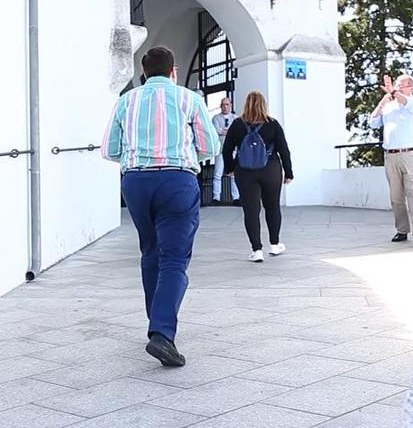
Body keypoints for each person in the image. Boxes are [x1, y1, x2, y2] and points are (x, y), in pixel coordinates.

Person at [101, 46, 220, 367]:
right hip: (176, 181)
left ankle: (156, 321)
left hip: (136, 183)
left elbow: (109, 150)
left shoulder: (127, 100)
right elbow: (210, 146)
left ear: (143, 72)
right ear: (173, 71)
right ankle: (162, 333)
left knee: (150, 252)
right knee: (174, 259)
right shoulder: (190, 99)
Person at [222, 91, 293, 263]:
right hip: (271, 170)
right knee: (272, 207)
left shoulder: (237, 124)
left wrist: (230, 168)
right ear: (264, 104)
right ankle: (274, 245)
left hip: (245, 172)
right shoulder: (273, 124)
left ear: (246, 104)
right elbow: (284, 150)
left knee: (251, 211)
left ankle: (256, 250)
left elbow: (226, 149)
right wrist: (289, 173)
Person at [369, 74, 413, 244]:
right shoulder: (389, 106)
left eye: (404, 86)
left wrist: (395, 92)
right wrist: (383, 101)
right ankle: (402, 230)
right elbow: (373, 123)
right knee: (396, 196)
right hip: (390, 155)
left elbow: (408, 104)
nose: (400, 88)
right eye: (398, 85)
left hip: (411, 154)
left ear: (412, 87)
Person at [211, 97, 240, 206]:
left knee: (234, 174)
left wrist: (224, 132)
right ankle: (216, 197)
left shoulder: (235, 118)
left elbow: (235, 133)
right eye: (223, 104)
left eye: (227, 104)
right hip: (220, 149)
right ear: (220, 106)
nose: (225, 106)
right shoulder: (216, 118)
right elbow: (215, 131)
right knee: (217, 173)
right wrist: (227, 132)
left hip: (232, 149)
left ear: (230, 105)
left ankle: (236, 197)